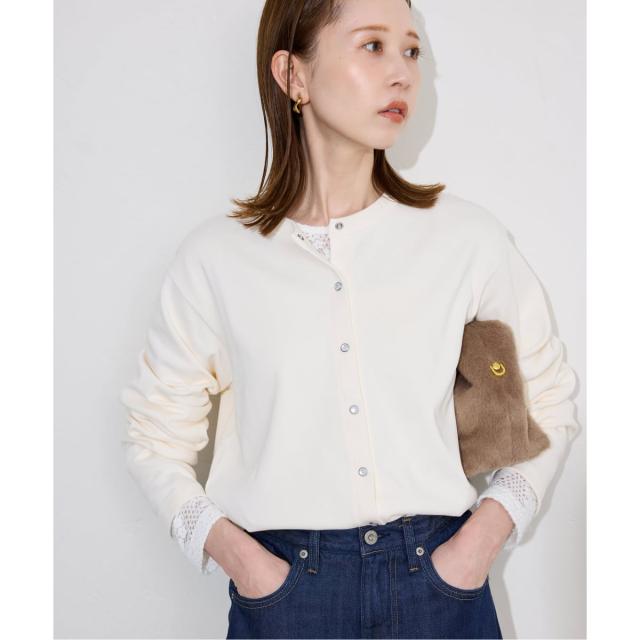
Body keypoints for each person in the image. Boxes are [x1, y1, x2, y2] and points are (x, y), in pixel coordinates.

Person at [119, 0, 580, 638]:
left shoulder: (465, 240)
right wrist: (245, 562)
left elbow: (547, 397)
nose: (402, 73)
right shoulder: (216, 259)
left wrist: (478, 543)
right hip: (287, 597)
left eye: (411, 50)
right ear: (293, 75)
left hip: (441, 590)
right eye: (372, 45)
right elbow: (153, 438)